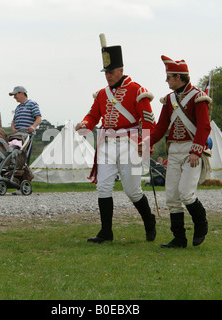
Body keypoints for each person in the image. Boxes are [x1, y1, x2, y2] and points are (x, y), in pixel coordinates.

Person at [75, 34, 156, 243]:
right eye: (106, 72)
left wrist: (145, 146)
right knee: (103, 187)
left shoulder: (137, 90)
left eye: (111, 72)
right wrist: (85, 124)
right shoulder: (102, 94)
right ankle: (106, 232)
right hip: (107, 143)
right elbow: (93, 115)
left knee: (132, 190)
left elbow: (148, 121)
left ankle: (149, 220)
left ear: (121, 70)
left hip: (130, 143)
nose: (108, 76)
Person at [149, 55, 211, 248]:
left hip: (192, 149)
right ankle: (179, 238)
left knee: (186, 193)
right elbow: (160, 128)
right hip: (174, 150)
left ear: (178, 77)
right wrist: (144, 143)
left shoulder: (198, 97)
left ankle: (201, 224)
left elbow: (204, 127)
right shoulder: (169, 99)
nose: (166, 80)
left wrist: (196, 150)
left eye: (169, 77)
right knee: (172, 197)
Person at [9, 86, 42, 164]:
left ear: (22, 93)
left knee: (24, 157)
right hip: (17, 136)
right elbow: (13, 121)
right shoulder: (18, 107)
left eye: (15, 94)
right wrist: (13, 128)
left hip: (27, 137)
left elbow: (38, 118)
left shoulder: (32, 104)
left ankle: (24, 173)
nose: (14, 97)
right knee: (15, 156)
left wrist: (33, 127)